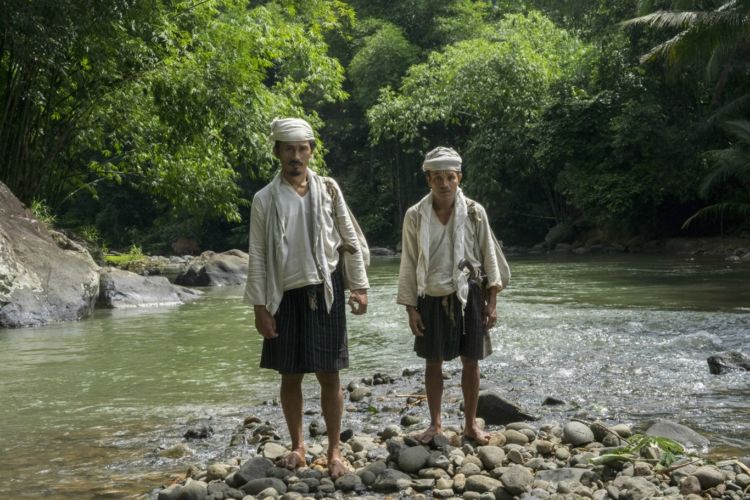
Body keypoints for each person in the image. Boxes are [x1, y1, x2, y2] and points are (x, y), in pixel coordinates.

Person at [244, 117, 369, 479]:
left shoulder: (328, 189)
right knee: (290, 374)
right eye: (288, 149)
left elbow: (349, 238)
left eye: (302, 148)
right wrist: (260, 307)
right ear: (278, 152)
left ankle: (334, 450)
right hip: (284, 295)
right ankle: (297, 445)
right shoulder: (264, 199)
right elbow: (257, 254)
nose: (296, 156)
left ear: (311, 151)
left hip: (325, 289)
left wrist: (359, 288)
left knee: (330, 373)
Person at [397, 146, 510, 445]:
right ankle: (435, 425)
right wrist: (411, 308)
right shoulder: (415, 216)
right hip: (430, 293)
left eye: (450, 177)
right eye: (437, 178)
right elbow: (409, 262)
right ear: (428, 181)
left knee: (471, 361)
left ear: (459, 178)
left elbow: (488, 257)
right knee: (432, 362)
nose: (444, 183)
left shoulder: (474, 211)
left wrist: (492, 302)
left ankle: (470, 425)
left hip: (470, 291)